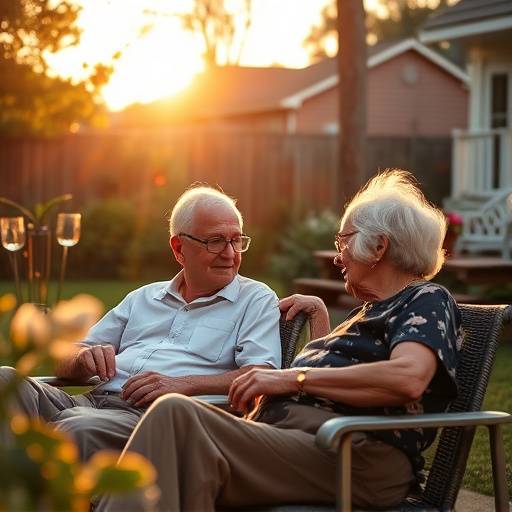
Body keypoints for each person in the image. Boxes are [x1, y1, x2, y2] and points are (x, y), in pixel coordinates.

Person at [96, 169, 463, 512]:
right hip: (302, 441)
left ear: (379, 246)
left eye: (344, 240)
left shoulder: (425, 299)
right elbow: (334, 378)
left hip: (356, 455)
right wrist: (320, 318)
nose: (337, 257)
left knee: (175, 414)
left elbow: (407, 377)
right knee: (182, 448)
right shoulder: (368, 312)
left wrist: (289, 378)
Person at [0, 186, 281, 461]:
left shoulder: (255, 300)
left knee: (75, 429)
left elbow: (261, 372)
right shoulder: (144, 297)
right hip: (89, 402)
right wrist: (83, 359)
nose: (230, 253)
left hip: (158, 419)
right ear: (179, 247)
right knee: (4, 380)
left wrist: (183, 384)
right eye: (216, 241)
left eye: (236, 240)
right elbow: (63, 358)